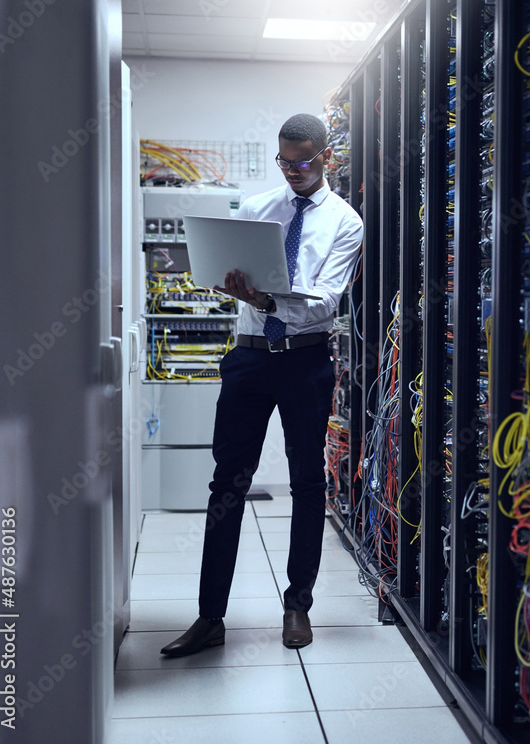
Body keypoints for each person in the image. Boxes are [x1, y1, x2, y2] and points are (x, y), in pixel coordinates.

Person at [161, 113, 363, 656]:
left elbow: (326, 302)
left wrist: (267, 301)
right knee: (227, 483)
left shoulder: (345, 222)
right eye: (284, 161)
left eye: (302, 161)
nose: (292, 170)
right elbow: (232, 278)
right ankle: (210, 617)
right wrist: (234, 287)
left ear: (326, 157)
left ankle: (298, 605)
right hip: (249, 360)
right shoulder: (255, 209)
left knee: (307, 483)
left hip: (304, 362)